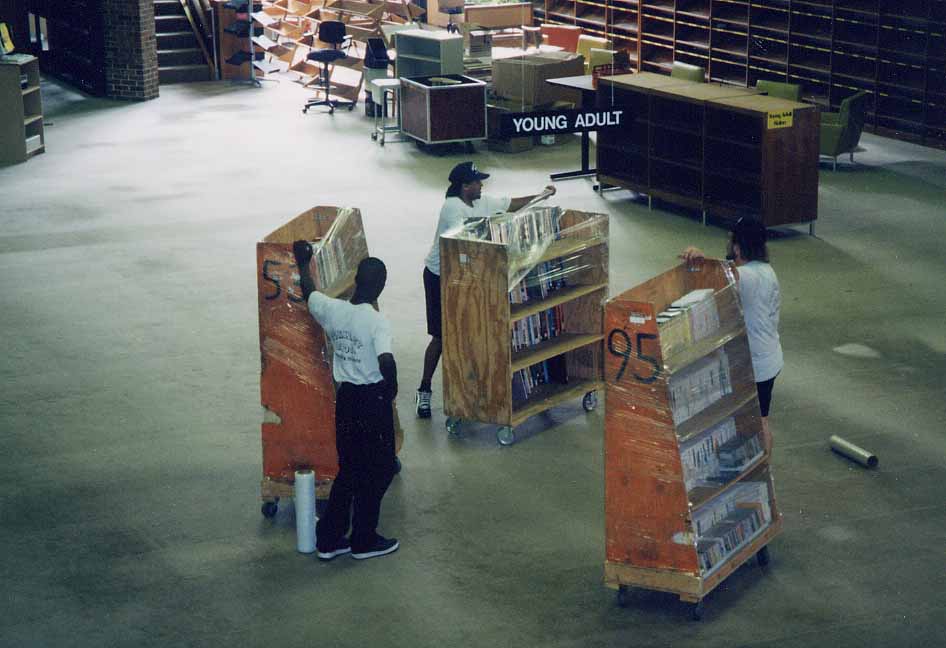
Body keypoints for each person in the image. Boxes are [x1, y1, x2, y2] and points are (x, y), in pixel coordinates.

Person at [415, 161, 556, 418]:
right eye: (477, 182)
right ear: (465, 187)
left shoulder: (479, 202)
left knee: (470, 333)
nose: (482, 185)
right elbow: (467, 241)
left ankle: (469, 391)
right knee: (442, 337)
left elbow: (511, 203)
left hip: (466, 275)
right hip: (439, 277)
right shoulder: (452, 209)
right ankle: (424, 390)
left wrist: (541, 195)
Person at [292, 242, 400, 561]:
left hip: (347, 401)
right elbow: (387, 361)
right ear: (380, 287)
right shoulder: (377, 322)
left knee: (349, 469)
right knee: (380, 468)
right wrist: (390, 390)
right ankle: (363, 540)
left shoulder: (333, 310)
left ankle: (329, 539)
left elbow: (309, 291)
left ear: (355, 280)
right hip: (372, 399)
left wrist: (303, 262)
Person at [680, 217, 783, 453]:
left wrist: (699, 259)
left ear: (737, 247)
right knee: (761, 417)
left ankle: (761, 472)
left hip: (755, 364)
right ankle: (762, 469)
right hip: (770, 357)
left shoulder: (743, 277)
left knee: (754, 421)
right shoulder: (766, 271)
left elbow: (716, 278)